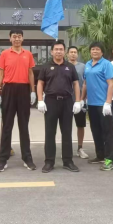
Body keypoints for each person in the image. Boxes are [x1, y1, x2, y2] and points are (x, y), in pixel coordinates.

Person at [0, 29, 37, 172]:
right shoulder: (5, 54)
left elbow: (31, 73)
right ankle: (3, 159)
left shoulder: (28, 54)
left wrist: (32, 90)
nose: (17, 39)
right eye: (14, 37)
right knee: (7, 126)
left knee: (24, 126)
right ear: (10, 39)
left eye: (19, 36)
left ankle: (27, 158)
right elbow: (0, 73)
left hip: (24, 90)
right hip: (9, 90)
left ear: (22, 39)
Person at [37, 41, 83, 173]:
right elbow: (40, 83)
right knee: (50, 133)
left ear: (64, 52)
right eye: (56, 49)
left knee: (67, 132)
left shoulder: (70, 66)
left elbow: (76, 84)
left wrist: (77, 101)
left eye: (61, 49)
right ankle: (49, 161)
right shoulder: (46, 66)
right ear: (52, 52)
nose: (58, 51)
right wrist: (40, 100)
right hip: (50, 102)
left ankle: (68, 161)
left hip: (67, 101)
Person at [81, 42, 113, 171]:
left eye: (97, 49)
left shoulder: (106, 64)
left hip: (103, 104)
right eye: (92, 49)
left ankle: (110, 160)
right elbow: (85, 84)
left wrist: (108, 102)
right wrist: (81, 99)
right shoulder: (87, 64)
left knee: (107, 133)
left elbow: (111, 84)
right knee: (96, 131)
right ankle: (100, 155)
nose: (95, 51)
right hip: (91, 104)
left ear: (102, 52)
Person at [68, 46, 90, 160]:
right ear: (67, 54)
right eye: (71, 52)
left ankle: (80, 148)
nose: (73, 54)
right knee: (66, 126)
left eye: (75, 52)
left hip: (80, 100)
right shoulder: (64, 65)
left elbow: (86, 83)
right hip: (67, 100)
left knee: (80, 125)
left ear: (77, 54)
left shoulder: (83, 67)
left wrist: (83, 99)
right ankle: (67, 149)